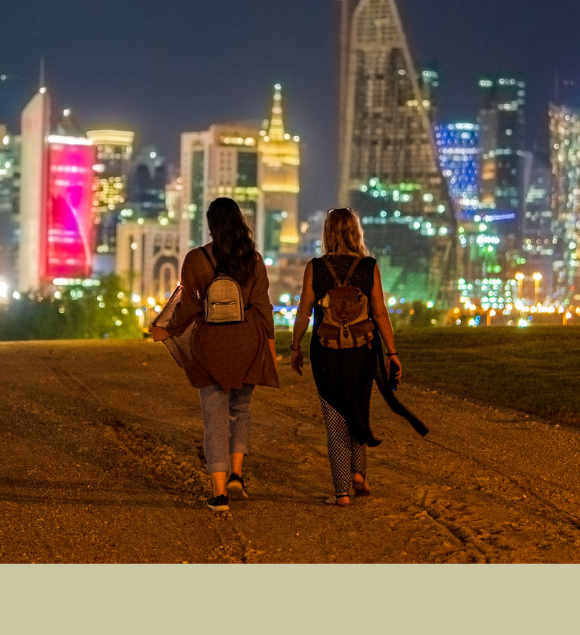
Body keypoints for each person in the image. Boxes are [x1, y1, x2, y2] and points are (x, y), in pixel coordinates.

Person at [149, 197, 278, 512]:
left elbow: (188, 307)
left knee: (214, 418)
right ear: (239, 222)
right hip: (248, 341)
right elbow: (263, 308)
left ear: (210, 224)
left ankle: (219, 495)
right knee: (241, 409)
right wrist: (270, 351)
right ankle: (237, 473)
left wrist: (167, 328)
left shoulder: (195, 259)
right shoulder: (254, 260)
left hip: (211, 344)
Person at [288, 208, 402, 508]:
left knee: (335, 415)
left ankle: (341, 491)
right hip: (363, 351)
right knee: (357, 407)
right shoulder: (369, 267)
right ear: (356, 231)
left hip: (327, 351)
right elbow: (379, 313)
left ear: (327, 232)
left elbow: (303, 311)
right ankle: (359, 474)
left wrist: (295, 346)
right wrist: (392, 352)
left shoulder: (315, 267)